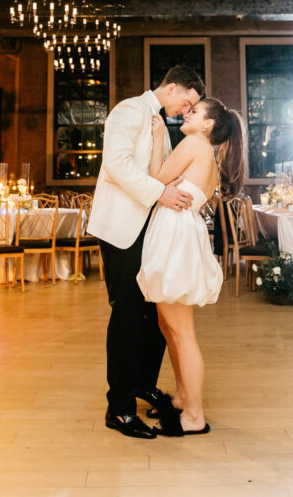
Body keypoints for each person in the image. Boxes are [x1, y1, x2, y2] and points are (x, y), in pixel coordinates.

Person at [87, 65, 205, 440]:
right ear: (171, 88)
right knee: (126, 315)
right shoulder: (128, 111)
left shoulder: (161, 123)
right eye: (186, 102)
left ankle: (141, 383)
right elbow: (117, 165)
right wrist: (162, 194)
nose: (186, 111)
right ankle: (119, 409)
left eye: (193, 109)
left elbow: (161, 171)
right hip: (122, 229)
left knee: (154, 311)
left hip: (149, 232)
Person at [137, 98, 246, 436]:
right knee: (169, 327)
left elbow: (155, 179)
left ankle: (195, 415)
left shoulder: (194, 143)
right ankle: (183, 397)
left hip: (176, 235)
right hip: (178, 231)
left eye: (195, 112)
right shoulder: (207, 151)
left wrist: (157, 141)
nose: (188, 113)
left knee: (182, 332)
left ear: (208, 124)